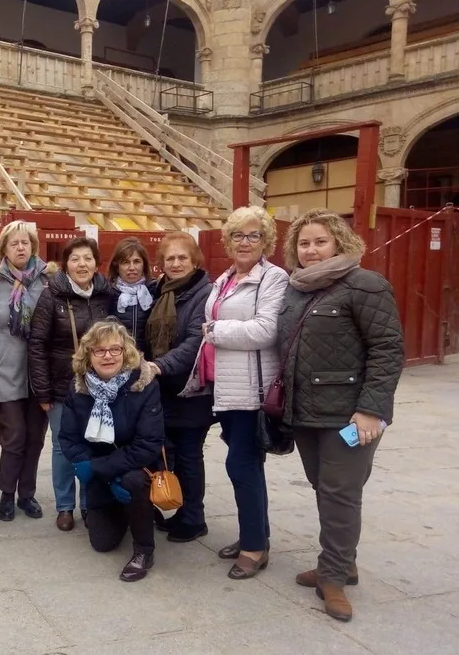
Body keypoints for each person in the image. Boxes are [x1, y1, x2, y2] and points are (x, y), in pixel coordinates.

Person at [278, 209, 404, 621]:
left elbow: (387, 350)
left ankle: (332, 577)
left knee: (340, 495)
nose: (311, 250)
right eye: (303, 243)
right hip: (305, 413)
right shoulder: (295, 289)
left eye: (320, 241)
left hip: (349, 417)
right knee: (324, 489)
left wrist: (371, 410)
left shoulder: (364, 284)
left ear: (339, 243)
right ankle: (342, 561)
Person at [195, 206, 288, 579]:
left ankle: (254, 547)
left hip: (252, 390)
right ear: (228, 241)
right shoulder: (225, 279)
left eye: (253, 235)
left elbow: (266, 330)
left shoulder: (274, 278)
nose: (245, 242)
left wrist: (214, 330)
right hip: (224, 387)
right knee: (247, 465)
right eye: (238, 235)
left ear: (265, 240)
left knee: (241, 465)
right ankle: (256, 534)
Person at [58, 320, 164, 581]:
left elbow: (148, 445)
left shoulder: (144, 385)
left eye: (115, 349)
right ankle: (129, 510)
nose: (108, 356)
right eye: (99, 350)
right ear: (88, 355)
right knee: (102, 543)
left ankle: (144, 550)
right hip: (100, 472)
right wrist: (104, 473)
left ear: (125, 352)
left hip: (135, 467)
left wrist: (98, 468)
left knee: (132, 481)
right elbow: (69, 440)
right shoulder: (78, 388)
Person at [29, 236, 114, 532]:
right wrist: (42, 391)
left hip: (99, 387)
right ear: (65, 264)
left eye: (88, 258)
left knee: (94, 444)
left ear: (96, 263)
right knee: (63, 447)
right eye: (75, 258)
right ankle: (65, 506)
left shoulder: (106, 294)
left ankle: (90, 504)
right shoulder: (52, 295)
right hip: (62, 386)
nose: (82, 264)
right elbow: (37, 344)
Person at [0, 220, 52, 522]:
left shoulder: (48, 280)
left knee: (35, 436)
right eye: (14, 243)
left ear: (33, 247)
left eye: (25, 242)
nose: (21, 248)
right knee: (15, 436)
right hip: (3, 369)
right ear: (3, 249)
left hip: (38, 370)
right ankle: (7, 493)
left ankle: (27, 495)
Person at [146, 232, 214, 542]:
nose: (175, 263)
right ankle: (177, 506)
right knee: (168, 452)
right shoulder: (157, 291)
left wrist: (159, 366)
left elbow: (194, 342)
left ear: (195, 260)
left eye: (182, 258)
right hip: (160, 390)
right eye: (169, 258)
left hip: (190, 391)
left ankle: (193, 518)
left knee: (188, 455)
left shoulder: (205, 294)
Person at [108, 238, 157, 351]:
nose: (132, 268)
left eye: (136, 261)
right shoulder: (108, 293)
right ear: (117, 266)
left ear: (143, 265)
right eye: (125, 262)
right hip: (117, 359)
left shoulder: (155, 291)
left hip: (148, 360)